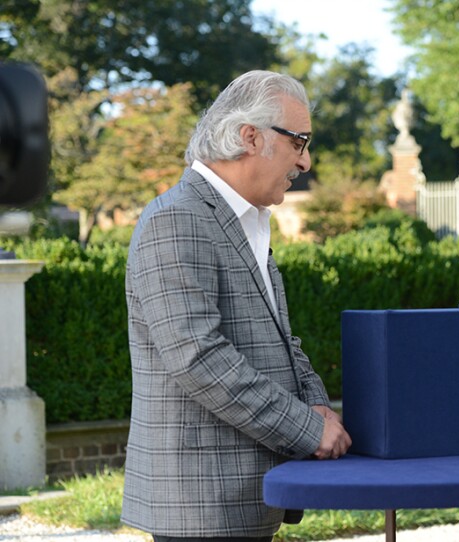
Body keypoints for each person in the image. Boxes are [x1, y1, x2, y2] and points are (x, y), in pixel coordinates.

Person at [122, 70, 351, 542]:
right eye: (300, 142)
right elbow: (199, 358)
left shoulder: (244, 220)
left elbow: (281, 338)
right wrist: (306, 428)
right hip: (202, 507)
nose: (305, 162)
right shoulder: (176, 219)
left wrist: (315, 402)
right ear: (251, 137)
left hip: (241, 499)